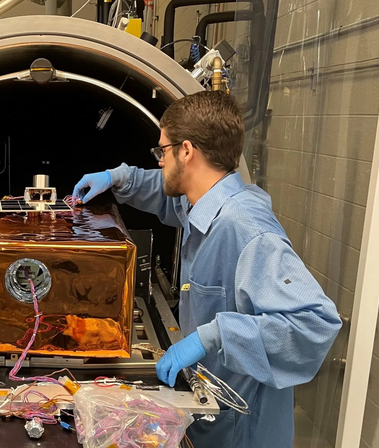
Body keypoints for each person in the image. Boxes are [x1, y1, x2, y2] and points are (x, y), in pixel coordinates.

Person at [73, 91, 341, 448]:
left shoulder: (245, 228)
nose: (159, 162)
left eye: (162, 151)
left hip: (244, 429)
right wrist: (119, 178)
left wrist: (212, 336)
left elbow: (315, 325)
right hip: (211, 415)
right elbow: (164, 189)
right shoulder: (205, 202)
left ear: (187, 151)